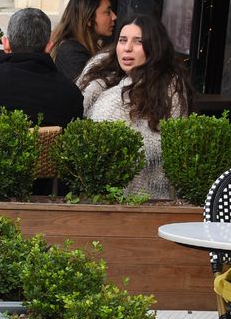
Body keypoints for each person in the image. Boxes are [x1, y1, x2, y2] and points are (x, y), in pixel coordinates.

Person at [77, 14, 193, 198]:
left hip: (148, 194)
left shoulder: (168, 86)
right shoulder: (102, 80)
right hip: (98, 190)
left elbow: (162, 143)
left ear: (154, 47)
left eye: (138, 42)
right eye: (122, 41)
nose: (127, 48)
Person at [50, 0, 117, 81]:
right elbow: (85, 90)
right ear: (89, 19)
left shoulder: (83, 47)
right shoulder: (71, 51)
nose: (114, 17)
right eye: (107, 12)